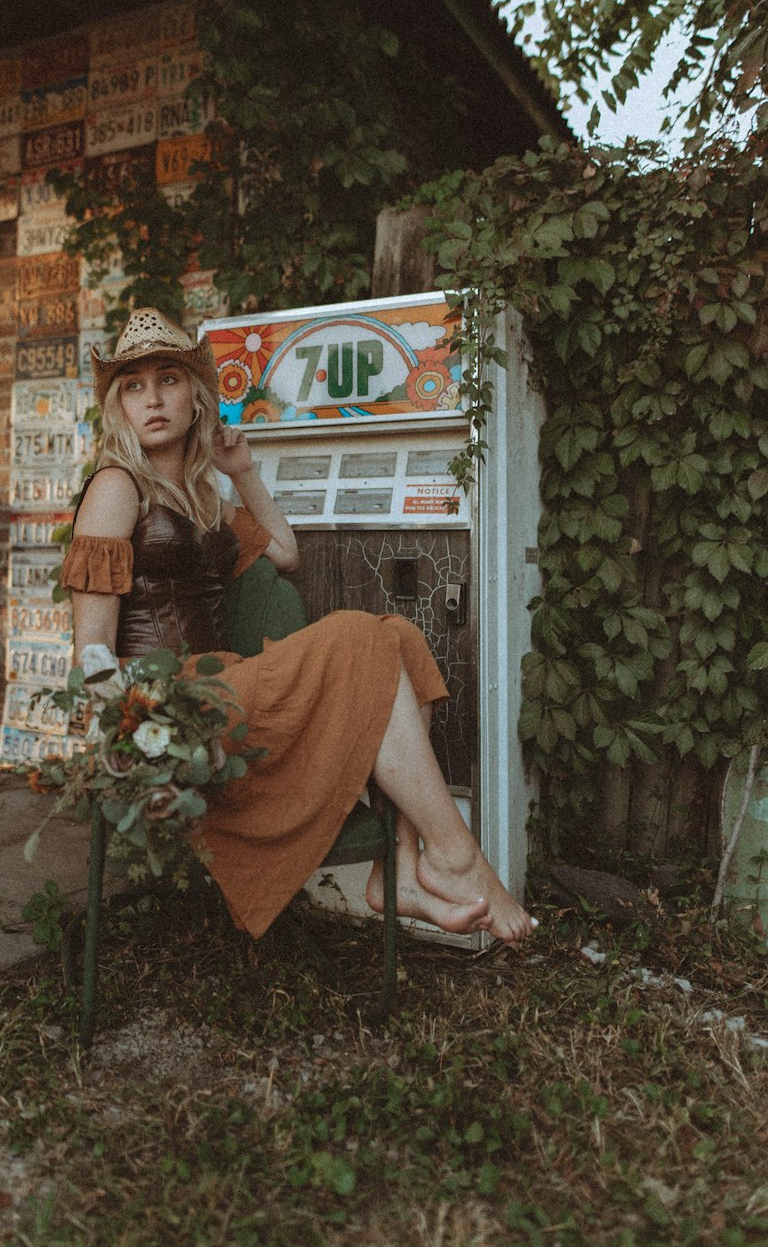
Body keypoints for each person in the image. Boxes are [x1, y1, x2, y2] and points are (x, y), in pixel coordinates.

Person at [61, 307, 536, 944]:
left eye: (168, 379)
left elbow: (283, 552)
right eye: (134, 385)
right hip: (167, 701)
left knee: (396, 635)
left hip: (220, 682)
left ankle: (397, 869)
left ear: (196, 397)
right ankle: (455, 855)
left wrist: (242, 472)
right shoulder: (118, 487)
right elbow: (91, 645)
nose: (152, 399)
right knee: (358, 636)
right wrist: (124, 737)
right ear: (118, 405)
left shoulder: (204, 497)